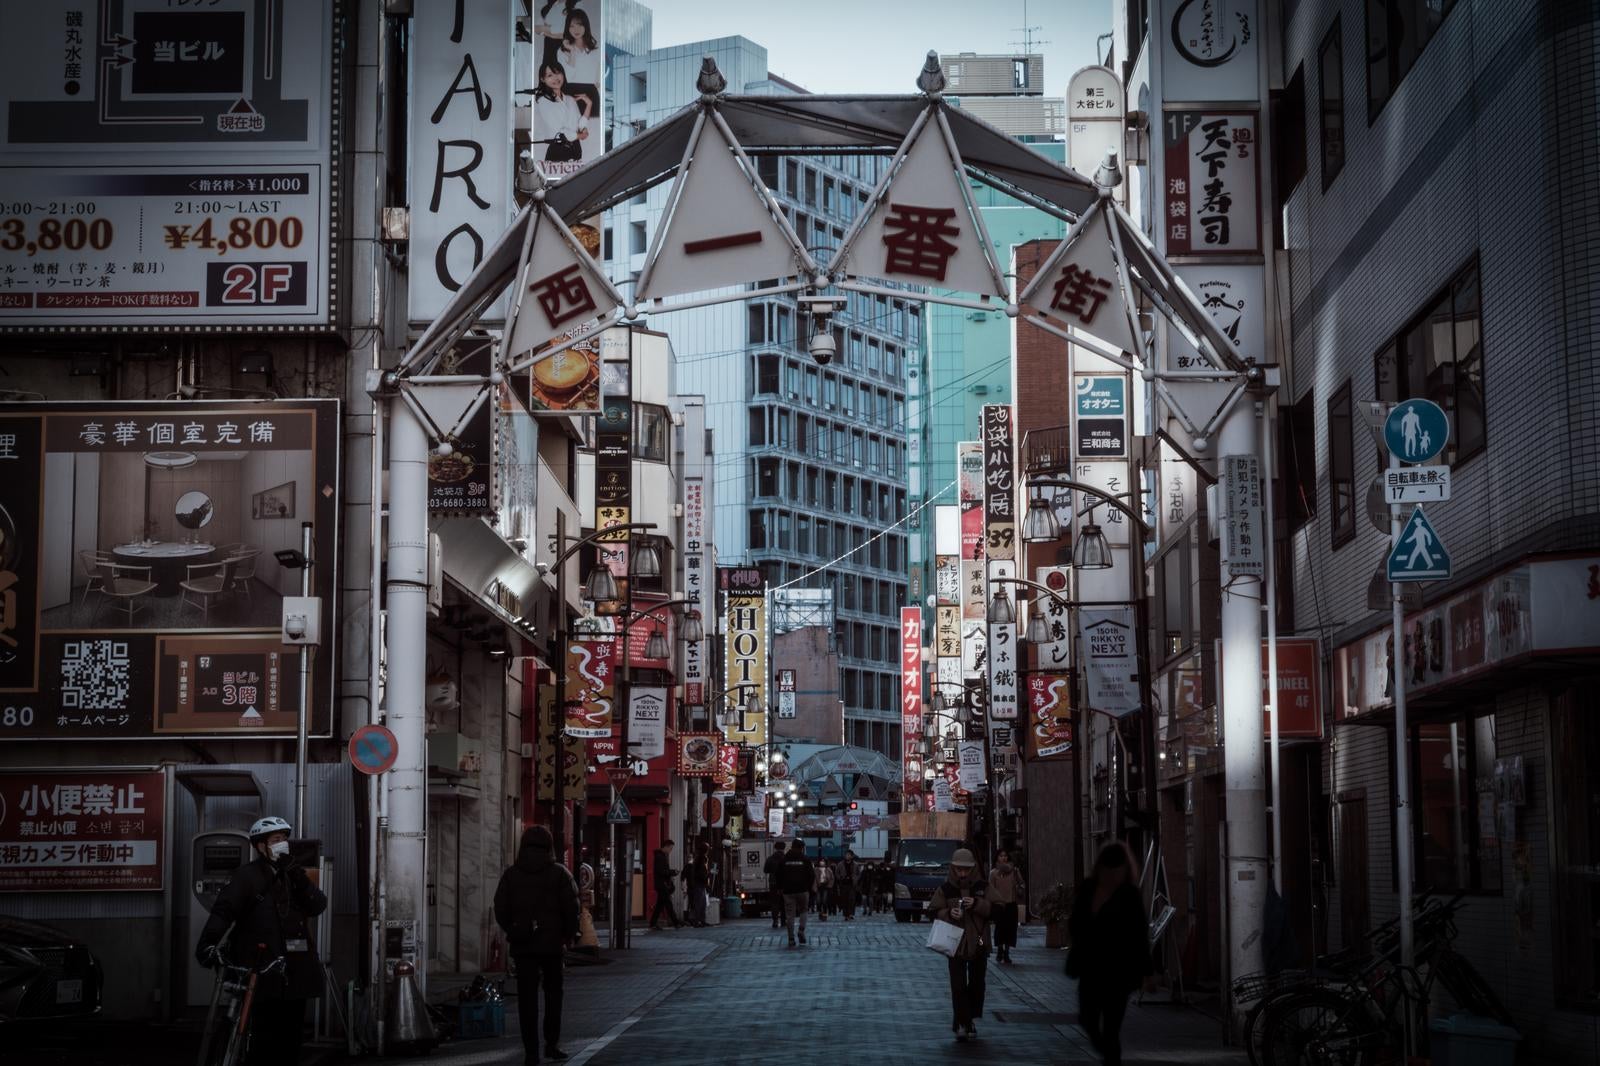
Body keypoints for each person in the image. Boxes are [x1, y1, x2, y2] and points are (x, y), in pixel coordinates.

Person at [195, 815, 328, 1066]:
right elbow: (224, 911)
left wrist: (297, 874)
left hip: (297, 968)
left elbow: (318, 905)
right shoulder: (246, 876)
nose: (282, 844)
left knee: (291, 1037)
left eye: (284, 839)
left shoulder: (293, 874)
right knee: (264, 1037)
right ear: (260, 846)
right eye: (276, 840)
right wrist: (207, 944)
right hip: (262, 968)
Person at [494, 825, 580, 1065]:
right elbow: (572, 908)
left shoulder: (511, 875)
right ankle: (551, 1045)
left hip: (523, 946)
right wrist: (568, 935)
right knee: (554, 995)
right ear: (550, 847)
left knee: (527, 999)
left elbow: (500, 907)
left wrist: (513, 929)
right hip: (552, 946)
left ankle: (531, 1052)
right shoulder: (559, 874)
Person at [1068, 842, 1153, 1066]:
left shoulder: (1129, 895)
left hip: (1119, 972)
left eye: (1117, 869)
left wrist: (1148, 972)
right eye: (1109, 868)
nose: (1112, 874)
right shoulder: (1089, 888)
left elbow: (1139, 933)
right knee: (1087, 1018)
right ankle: (1107, 1052)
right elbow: (1075, 923)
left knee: (1112, 1026)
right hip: (1091, 968)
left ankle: (1111, 1057)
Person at [929, 848, 991, 1041]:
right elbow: (933, 910)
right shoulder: (946, 889)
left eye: (966, 869)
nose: (962, 873)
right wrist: (948, 913)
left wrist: (978, 904)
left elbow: (999, 908)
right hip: (954, 943)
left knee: (976, 983)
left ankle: (967, 1018)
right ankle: (962, 1021)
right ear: (953, 869)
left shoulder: (983, 887)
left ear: (972, 869)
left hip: (979, 941)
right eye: (958, 869)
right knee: (958, 985)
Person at [532, 60, 590, 164]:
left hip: (576, 149)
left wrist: (589, 105)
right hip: (558, 150)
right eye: (550, 75)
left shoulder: (570, 99)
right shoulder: (543, 101)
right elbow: (559, 131)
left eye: (558, 73)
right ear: (543, 79)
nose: (556, 78)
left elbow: (579, 125)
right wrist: (580, 135)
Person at [555, 9, 600, 123]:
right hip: (570, 93)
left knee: (592, 129)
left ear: (586, 26)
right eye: (572, 26)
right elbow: (568, 77)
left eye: (579, 25)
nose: (576, 30)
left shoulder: (595, 50)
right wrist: (572, 52)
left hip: (591, 93)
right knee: (572, 130)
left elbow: (598, 77)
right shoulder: (562, 51)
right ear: (567, 28)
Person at [988, 849, 1025, 963]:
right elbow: (990, 889)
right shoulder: (993, 873)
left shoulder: (1014, 871)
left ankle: (1007, 953)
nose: (1003, 858)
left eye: (1005, 856)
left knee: (1011, 929)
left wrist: (1020, 888)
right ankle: (1000, 950)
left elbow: (1022, 883)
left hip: (1011, 904)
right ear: (997, 858)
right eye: (1001, 856)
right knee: (1000, 928)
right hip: (999, 905)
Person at [778, 839, 815, 947]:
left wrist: (780, 888)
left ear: (792, 846)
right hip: (803, 890)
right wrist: (808, 887)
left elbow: (778, 875)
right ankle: (801, 930)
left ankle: (791, 938)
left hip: (788, 891)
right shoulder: (805, 859)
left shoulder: (784, 859)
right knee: (804, 910)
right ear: (802, 848)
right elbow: (811, 875)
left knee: (790, 915)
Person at [649, 838, 680, 930]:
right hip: (662, 885)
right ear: (666, 847)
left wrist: (671, 872)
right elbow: (662, 871)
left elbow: (662, 871)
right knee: (668, 904)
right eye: (670, 848)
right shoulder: (660, 857)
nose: (671, 851)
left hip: (661, 884)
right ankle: (676, 922)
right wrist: (673, 872)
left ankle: (653, 923)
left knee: (660, 905)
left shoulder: (661, 856)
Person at [681, 844, 710, 928]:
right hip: (699, 884)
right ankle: (697, 921)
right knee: (699, 903)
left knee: (701, 903)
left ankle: (700, 920)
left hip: (699, 884)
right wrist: (706, 878)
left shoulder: (699, 859)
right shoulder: (701, 859)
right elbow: (701, 873)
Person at [764, 843, 788, 929]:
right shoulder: (786, 858)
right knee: (784, 902)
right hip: (785, 884)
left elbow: (765, 870)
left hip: (773, 883)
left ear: (775, 848)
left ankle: (775, 921)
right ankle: (783, 920)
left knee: (774, 903)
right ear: (784, 848)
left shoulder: (770, 859)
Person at [836, 852, 859, 919]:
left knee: (851, 900)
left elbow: (858, 874)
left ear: (852, 856)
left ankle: (851, 914)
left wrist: (855, 879)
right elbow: (837, 873)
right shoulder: (840, 864)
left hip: (852, 884)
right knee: (844, 900)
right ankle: (846, 914)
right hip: (843, 884)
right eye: (846, 855)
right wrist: (840, 878)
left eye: (849, 855)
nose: (847, 856)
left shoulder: (855, 864)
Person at [816, 854, 834, 920]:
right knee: (818, 901)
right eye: (821, 861)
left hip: (826, 887)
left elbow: (832, 878)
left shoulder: (828, 869)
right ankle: (820, 913)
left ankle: (824, 915)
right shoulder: (816, 869)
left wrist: (829, 885)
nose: (822, 862)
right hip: (818, 886)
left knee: (824, 901)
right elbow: (814, 879)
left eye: (823, 861)